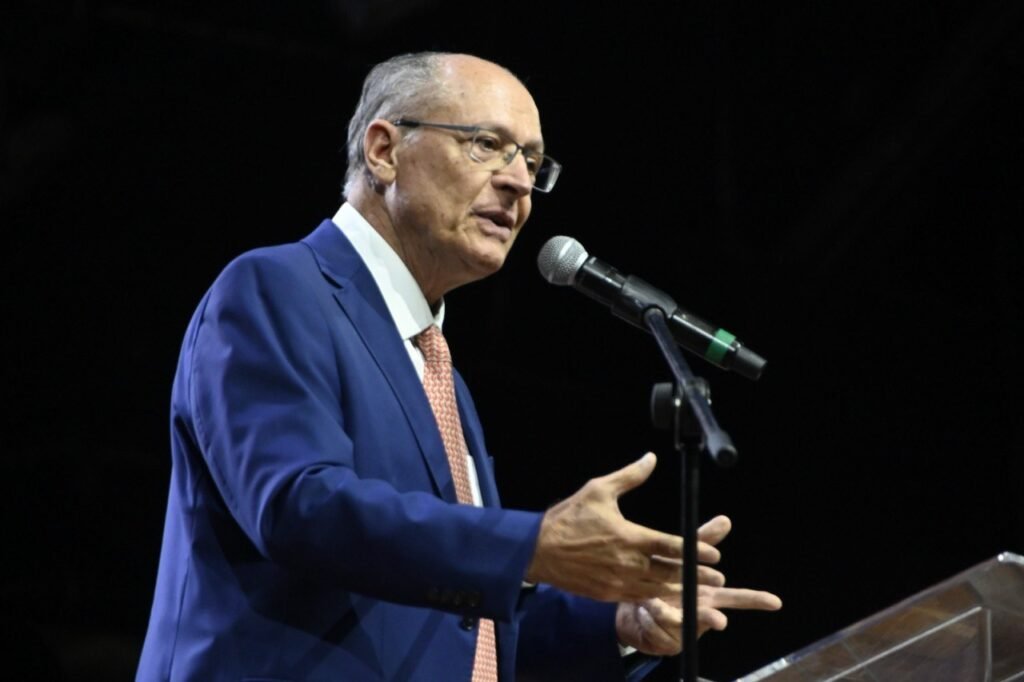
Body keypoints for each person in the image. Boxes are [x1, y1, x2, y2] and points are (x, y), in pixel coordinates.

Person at [136, 51, 781, 682]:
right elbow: (299, 507)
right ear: (384, 151)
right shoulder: (274, 288)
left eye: (532, 162)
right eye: (486, 145)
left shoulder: (437, 368)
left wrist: (617, 622)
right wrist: (531, 546)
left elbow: (457, 630)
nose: (519, 182)